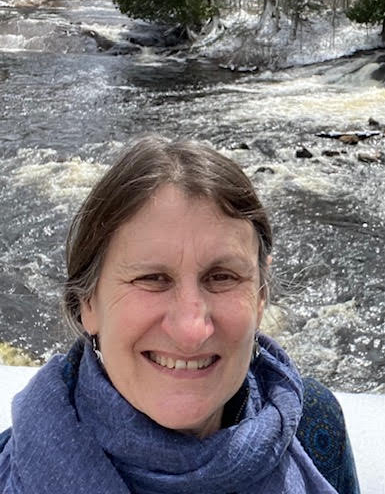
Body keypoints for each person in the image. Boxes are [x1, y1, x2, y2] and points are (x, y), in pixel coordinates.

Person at [0, 136, 360, 494]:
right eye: (152, 279)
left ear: (261, 294)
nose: (192, 330)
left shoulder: (313, 423)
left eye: (222, 277)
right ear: (88, 304)